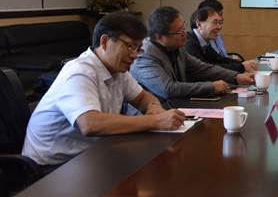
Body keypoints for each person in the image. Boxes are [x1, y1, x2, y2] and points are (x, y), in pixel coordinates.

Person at [22, 13, 185, 167]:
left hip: (88, 155)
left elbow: (142, 97)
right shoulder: (80, 72)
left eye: (138, 48)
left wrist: (154, 108)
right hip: (51, 167)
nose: (134, 55)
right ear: (105, 41)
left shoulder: (118, 70)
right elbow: (90, 124)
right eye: (130, 46)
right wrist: (155, 121)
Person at [130, 6, 254, 102]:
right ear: (160, 37)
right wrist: (211, 87)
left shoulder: (177, 48)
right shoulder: (144, 56)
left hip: (177, 109)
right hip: (148, 118)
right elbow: (168, 89)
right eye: (179, 31)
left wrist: (236, 77)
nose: (185, 33)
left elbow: (202, 68)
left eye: (183, 27)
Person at [185, 6, 257, 72]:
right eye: (215, 22)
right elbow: (206, 69)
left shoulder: (204, 42)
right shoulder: (189, 43)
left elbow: (220, 60)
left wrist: (244, 63)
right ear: (199, 24)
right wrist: (241, 67)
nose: (219, 27)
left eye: (220, 22)